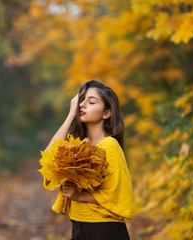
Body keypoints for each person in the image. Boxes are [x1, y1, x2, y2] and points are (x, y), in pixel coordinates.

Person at [45, 80, 133, 240]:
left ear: (106, 113)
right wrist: (71, 115)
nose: (82, 105)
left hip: (105, 230)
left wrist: (79, 196)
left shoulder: (109, 145)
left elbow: (118, 195)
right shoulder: (77, 146)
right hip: (79, 226)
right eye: (81, 100)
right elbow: (48, 161)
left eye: (91, 102)